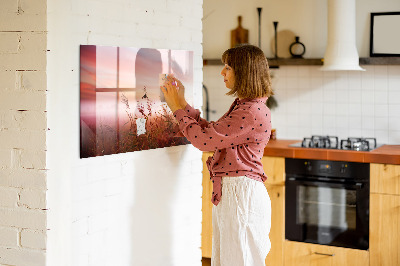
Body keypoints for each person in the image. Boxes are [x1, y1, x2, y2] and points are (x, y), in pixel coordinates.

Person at [161, 44, 273, 266]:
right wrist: (182, 104)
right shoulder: (246, 106)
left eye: (228, 67)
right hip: (236, 193)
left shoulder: (250, 111)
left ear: (244, 72)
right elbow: (212, 133)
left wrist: (176, 108)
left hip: (241, 195)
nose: (222, 72)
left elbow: (204, 141)